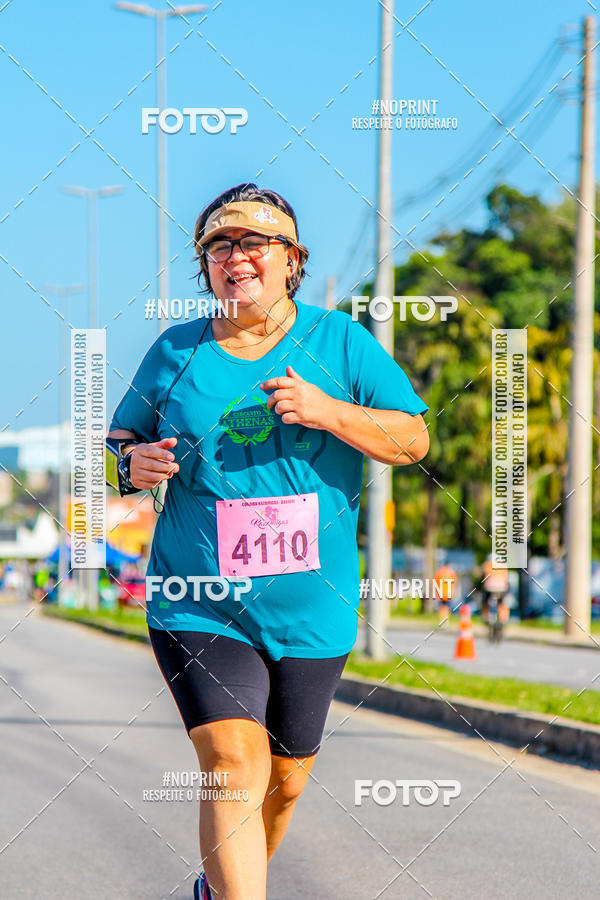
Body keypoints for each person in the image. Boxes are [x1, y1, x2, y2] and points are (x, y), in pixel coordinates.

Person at [107, 183, 429, 900]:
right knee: (230, 761)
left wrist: (330, 410)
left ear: (292, 261)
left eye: (254, 243)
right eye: (219, 246)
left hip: (313, 610)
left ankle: (216, 889)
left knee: (281, 786)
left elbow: (413, 437)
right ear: (207, 267)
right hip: (200, 599)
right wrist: (130, 464)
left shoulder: (341, 341)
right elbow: (118, 440)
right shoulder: (175, 351)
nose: (235, 257)